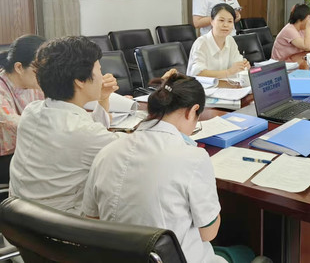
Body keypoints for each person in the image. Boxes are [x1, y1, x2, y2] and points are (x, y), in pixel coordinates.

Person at [83, 72, 229, 261]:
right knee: (243, 252)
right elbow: (208, 233)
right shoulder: (194, 158)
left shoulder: (106, 152)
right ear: (192, 111)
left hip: (117, 258)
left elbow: (92, 220)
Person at [9, 36, 121, 214]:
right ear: (80, 80)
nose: (102, 77)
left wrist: (103, 99)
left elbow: (87, 136)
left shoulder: (32, 111)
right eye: (99, 70)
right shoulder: (83, 132)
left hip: (19, 220)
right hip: (60, 225)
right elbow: (123, 153)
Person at [0, 35, 45, 158]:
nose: (46, 73)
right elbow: (15, 123)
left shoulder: (35, 83)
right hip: (7, 156)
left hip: (30, 149)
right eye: (40, 68)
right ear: (19, 67)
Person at [187, 3, 250, 78]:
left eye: (230, 21)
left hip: (225, 83)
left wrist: (243, 65)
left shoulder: (230, 40)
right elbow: (198, 73)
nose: (225, 25)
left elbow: (237, 63)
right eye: (221, 20)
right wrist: (228, 72)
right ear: (212, 21)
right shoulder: (201, 43)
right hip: (202, 85)